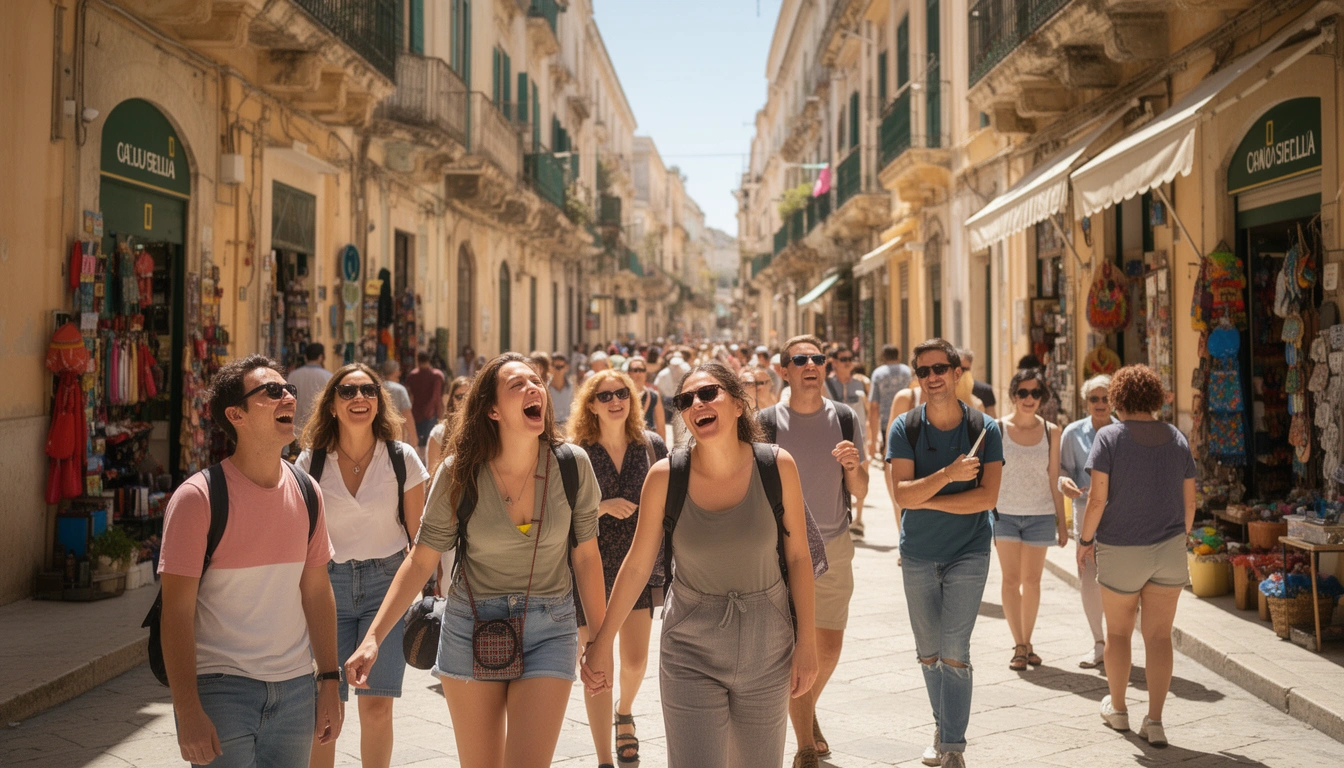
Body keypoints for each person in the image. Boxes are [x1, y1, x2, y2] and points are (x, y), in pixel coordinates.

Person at [344, 354, 607, 767]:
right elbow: (421, 559)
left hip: (550, 627)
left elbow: (587, 557)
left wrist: (599, 639)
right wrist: (374, 636)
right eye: (517, 385)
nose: (533, 388)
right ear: (493, 409)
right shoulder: (459, 472)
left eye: (535, 381)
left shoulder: (571, 466)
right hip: (471, 625)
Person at [581, 362, 818, 768]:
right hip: (690, 644)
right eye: (685, 400)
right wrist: (601, 642)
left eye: (708, 393)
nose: (696, 404)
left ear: (739, 405)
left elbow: (798, 557)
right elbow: (637, 566)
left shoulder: (777, 466)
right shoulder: (665, 476)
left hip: (768, 639)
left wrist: (807, 642)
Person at [159, 355, 341, 767]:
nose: (288, 398)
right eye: (272, 391)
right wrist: (187, 710)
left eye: (289, 390)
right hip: (222, 689)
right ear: (235, 414)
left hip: (296, 690)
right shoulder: (198, 499)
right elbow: (176, 613)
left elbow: (317, 592)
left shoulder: (307, 490)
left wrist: (328, 680)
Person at [296, 364, 430, 768]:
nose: (359, 398)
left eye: (368, 391)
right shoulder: (310, 462)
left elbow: (418, 538)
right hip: (327, 589)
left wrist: (421, 587)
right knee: (326, 707)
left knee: (376, 707)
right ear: (332, 405)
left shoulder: (401, 457)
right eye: (348, 391)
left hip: (386, 587)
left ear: (379, 401)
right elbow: (300, 540)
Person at [887, 339, 1004, 768]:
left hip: (969, 551)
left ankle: (952, 746)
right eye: (924, 371)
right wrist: (950, 476)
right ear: (918, 379)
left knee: (955, 649)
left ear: (957, 373)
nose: (932, 376)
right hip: (918, 552)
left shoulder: (985, 429)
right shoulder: (905, 428)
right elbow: (901, 493)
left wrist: (928, 496)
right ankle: (943, 727)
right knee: (928, 652)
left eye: (940, 368)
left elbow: (986, 498)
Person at [1077, 365, 1195, 748]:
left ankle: (1120, 710)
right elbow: (1189, 503)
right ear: (1154, 397)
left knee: (1118, 633)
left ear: (1118, 399)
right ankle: (1156, 720)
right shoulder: (1177, 438)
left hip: (1121, 548)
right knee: (1159, 637)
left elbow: (1097, 500)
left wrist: (1085, 539)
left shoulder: (1109, 437)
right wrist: (1180, 537)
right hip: (1169, 548)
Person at [763, 336, 866, 768]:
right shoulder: (764, 423)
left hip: (836, 544)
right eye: (799, 359)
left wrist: (853, 467)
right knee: (795, 648)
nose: (811, 365)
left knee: (828, 649)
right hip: (783, 550)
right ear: (783, 370)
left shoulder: (844, 418)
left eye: (817, 358)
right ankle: (804, 745)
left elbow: (859, 491)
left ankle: (808, 710)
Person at [567, 370, 668, 767]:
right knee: (597, 663)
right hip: (590, 565)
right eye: (604, 395)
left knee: (636, 660)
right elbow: (562, 511)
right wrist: (602, 507)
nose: (615, 400)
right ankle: (604, 758)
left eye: (622, 393)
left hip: (639, 567)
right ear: (590, 404)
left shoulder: (651, 446)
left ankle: (623, 711)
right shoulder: (577, 451)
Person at [993, 369, 1066, 671]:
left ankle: (1028, 640)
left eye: (1035, 393)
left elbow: (1054, 478)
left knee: (1032, 581)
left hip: (1040, 514)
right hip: (1005, 513)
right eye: (1023, 393)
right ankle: (1019, 645)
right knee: (1010, 581)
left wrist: (1063, 523)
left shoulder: (1053, 432)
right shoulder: (996, 428)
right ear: (1013, 396)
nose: (1029, 399)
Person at [1059, 374, 1117, 668]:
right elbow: (1062, 470)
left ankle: (1119, 644)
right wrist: (1064, 483)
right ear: (1086, 402)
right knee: (1088, 577)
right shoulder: (1072, 433)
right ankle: (1098, 642)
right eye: (1094, 398)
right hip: (1085, 512)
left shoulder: (1125, 432)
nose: (1100, 404)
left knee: (1120, 579)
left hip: (1119, 514)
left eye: (1106, 398)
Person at [824, 347, 870, 542]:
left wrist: (873, 438)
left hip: (859, 436)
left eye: (850, 358)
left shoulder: (860, 383)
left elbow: (868, 411)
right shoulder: (826, 385)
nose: (847, 362)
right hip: (834, 439)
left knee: (861, 474)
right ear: (834, 362)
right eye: (843, 359)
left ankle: (858, 520)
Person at [869, 345, 912, 463]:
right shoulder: (907, 371)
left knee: (890, 459)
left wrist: (873, 439)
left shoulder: (878, 373)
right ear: (898, 355)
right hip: (910, 419)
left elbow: (874, 406)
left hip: (887, 423)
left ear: (883, 356)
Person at [426, 376, 472, 474]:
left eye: (468, 396)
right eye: (459, 397)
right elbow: (432, 473)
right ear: (452, 400)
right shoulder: (439, 432)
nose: (464, 400)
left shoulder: (484, 427)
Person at [405, 351, 445, 454]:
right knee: (431, 444)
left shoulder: (412, 375)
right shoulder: (437, 375)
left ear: (417, 360)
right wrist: (441, 414)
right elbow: (437, 397)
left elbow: (409, 397)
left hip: (416, 413)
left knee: (419, 445)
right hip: (431, 414)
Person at [288, 342, 333, 434]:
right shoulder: (328, 376)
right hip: (318, 428)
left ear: (306, 357)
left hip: (295, 428)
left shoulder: (293, 376)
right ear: (321, 357)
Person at [654, 350, 691, 448]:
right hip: (668, 400)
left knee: (679, 424)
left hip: (680, 399)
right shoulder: (664, 373)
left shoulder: (686, 371)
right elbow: (657, 387)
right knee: (669, 425)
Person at [625, 356, 667, 437]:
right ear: (629, 373)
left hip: (646, 440)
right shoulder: (622, 395)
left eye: (642, 370)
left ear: (645, 373)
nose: (638, 373)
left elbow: (660, 426)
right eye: (635, 370)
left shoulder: (654, 395)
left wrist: (662, 448)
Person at [381, 359, 415, 443]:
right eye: (398, 370)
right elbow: (407, 414)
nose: (400, 373)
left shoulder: (378, 387)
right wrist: (414, 437)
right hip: (396, 438)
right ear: (395, 371)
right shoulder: (400, 389)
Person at [958, 349, 997, 418]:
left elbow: (992, 420)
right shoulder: (944, 390)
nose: (960, 372)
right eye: (957, 369)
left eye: (965, 369)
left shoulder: (984, 391)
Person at [548, 352, 576, 430]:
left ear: (566, 367)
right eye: (557, 367)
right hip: (551, 428)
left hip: (568, 428)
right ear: (551, 368)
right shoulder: (545, 388)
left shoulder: (573, 387)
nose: (559, 370)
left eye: (561, 367)